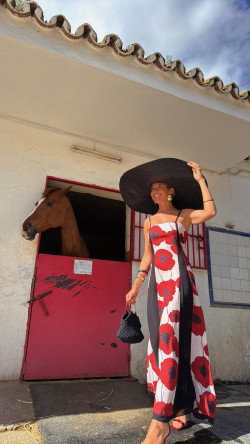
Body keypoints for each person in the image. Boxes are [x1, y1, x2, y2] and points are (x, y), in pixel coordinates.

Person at [119, 159, 217, 444]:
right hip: (156, 289)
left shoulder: (183, 215)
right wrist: (136, 286)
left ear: (171, 191)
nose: (154, 192)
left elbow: (210, 211)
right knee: (163, 347)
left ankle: (159, 421)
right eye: (151, 189)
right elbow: (147, 257)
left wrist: (200, 179)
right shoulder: (149, 220)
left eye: (158, 187)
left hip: (179, 284)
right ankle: (181, 407)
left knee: (170, 342)